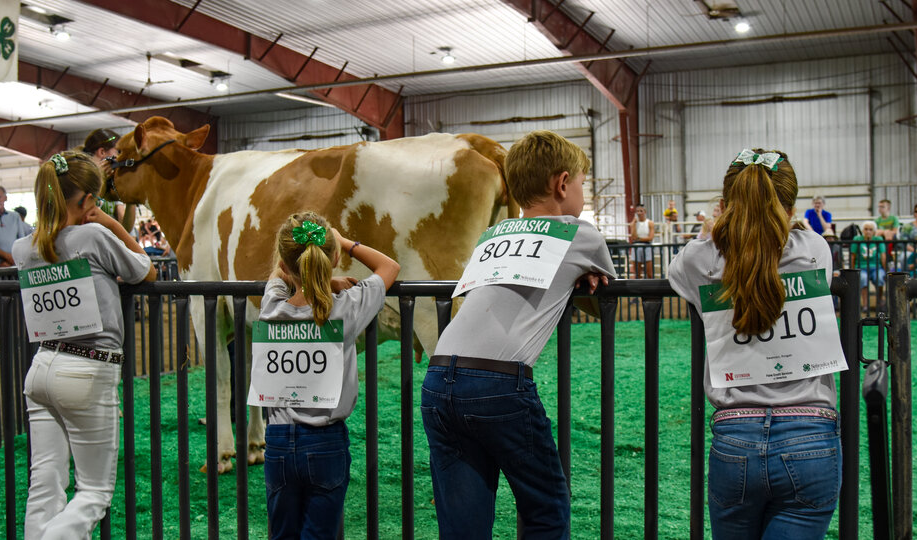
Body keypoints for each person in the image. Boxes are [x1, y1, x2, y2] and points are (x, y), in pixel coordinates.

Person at [421, 130, 616, 539]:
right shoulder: (580, 235)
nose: (582, 192)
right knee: (546, 509)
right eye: (581, 183)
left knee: (462, 525)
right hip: (498, 383)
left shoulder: (494, 234)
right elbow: (606, 304)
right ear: (562, 184)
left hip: (439, 379)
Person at [668, 148, 844, 539]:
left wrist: (717, 227)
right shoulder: (813, 249)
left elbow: (679, 267)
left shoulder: (701, 261)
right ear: (791, 205)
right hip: (810, 432)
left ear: (725, 205)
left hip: (736, 438)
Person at [14, 151, 156, 539]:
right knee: (93, 492)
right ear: (87, 201)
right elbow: (146, 269)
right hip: (88, 369)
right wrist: (111, 223)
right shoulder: (93, 236)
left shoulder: (22, 248)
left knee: (44, 484)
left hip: (41, 368)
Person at [255, 212, 399, 539]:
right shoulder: (346, 308)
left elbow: (280, 273)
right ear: (332, 257)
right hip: (325, 441)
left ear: (286, 262)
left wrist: (320, 276)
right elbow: (389, 268)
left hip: (277, 440)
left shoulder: (271, 306)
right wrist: (345, 243)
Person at [82, 128, 136, 233]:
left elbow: (126, 229)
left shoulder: (110, 182)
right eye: (118, 152)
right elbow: (84, 215)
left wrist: (131, 199)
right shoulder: (81, 179)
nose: (119, 158)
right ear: (102, 152)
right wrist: (101, 180)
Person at [850, 220, 886, 312]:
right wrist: (852, 270)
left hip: (876, 267)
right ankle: (865, 305)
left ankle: (880, 301)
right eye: (866, 229)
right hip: (861, 267)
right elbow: (852, 256)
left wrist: (885, 270)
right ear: (863, 230)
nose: (868, 231)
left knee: (880, 277)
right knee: (863, 278)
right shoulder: (857, 239)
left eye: (870, 229)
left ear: (874, 231)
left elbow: (883, 255)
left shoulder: (879, 240)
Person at [628, 203, 655, 278]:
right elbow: (633, 237)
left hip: (647, 246)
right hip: (636, 246)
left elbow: (650, 237)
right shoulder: (634, 223)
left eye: (641, 211)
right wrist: (633, 224)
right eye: (638, 211)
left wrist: (639, 239)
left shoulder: (650, 223)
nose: (639, 213)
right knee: (637, 273)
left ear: (645, 212)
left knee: (649, 272)